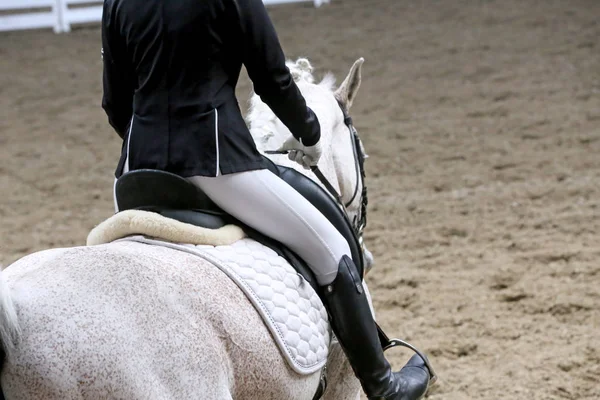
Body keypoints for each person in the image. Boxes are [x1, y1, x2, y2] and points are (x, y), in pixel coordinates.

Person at [101, 0, 431, 398]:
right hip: (217, 164)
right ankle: (384, 386)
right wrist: (309, 133)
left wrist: (151, 148)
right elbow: (273, 79)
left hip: (136, 176)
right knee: (332, 250)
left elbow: (115, 102)